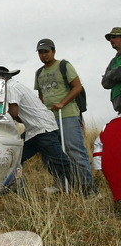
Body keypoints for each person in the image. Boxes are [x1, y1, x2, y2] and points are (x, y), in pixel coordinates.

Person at [0, 67, 73, 193]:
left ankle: (84, 188)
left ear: (1, 79)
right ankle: (18, 188)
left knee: (60, 161)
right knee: (16, 155)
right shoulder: (15, 86)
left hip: (42, 128)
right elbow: (20, 115)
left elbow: (14, 112)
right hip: (36, 129)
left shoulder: (10, 88)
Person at [34, 38, 95, 194]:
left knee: (75, 150)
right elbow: (41, 95)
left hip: (67, 114)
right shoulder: (39, 72)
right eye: (40, 52)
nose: (44, 55)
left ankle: (87, 188)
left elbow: (77, 87)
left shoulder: (63, 65)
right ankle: (61, 184)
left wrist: (62, 102)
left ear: (53, 51)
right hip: (49, 118)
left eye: (46, 51)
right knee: (54, 152)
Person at [102, 27, 121, 115]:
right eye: (109, 38)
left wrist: (110, 75)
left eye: (114, 37)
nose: (111, 40)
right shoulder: (113, 61)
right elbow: (105, 83)